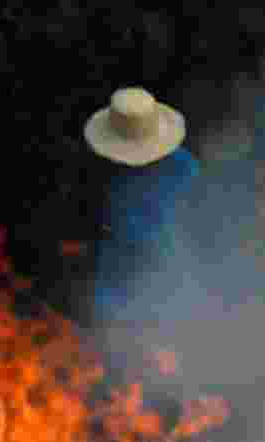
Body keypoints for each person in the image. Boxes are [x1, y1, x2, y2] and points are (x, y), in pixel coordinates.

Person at [83, 87, 201, 388]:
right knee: (115, 386)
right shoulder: (103, 171)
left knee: (165, 386)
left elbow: (205, 232)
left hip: (168, 291)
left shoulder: (185, 171)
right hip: (114, 292)